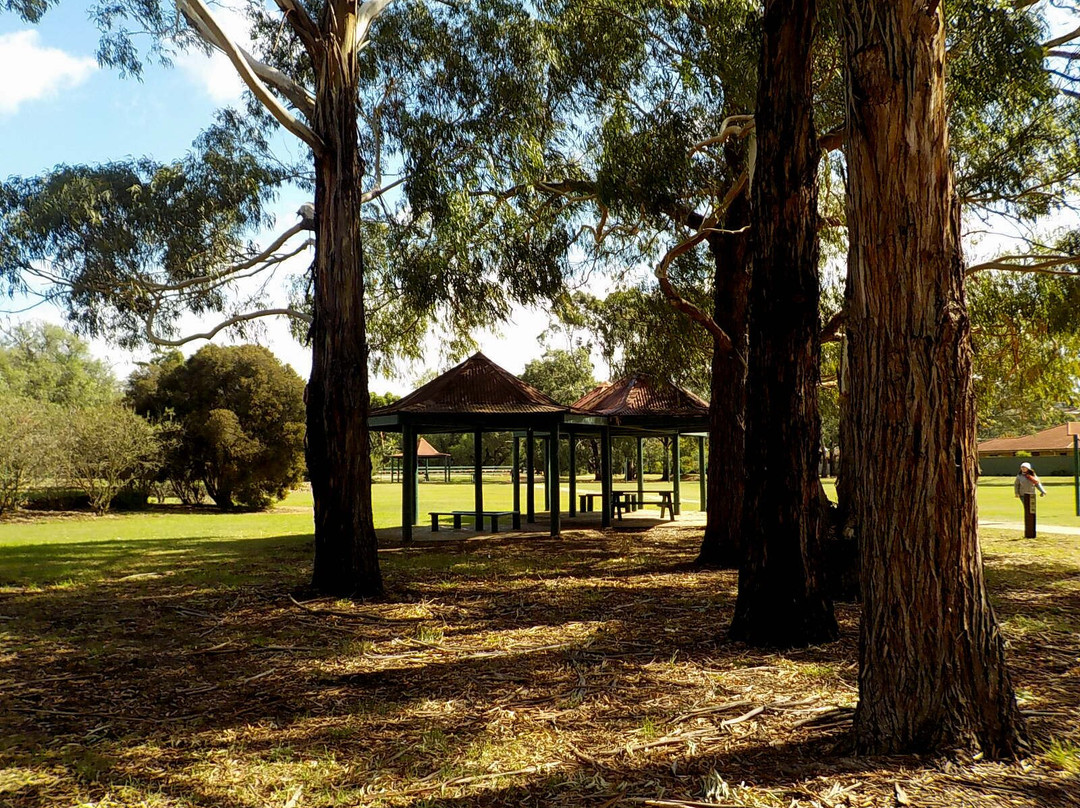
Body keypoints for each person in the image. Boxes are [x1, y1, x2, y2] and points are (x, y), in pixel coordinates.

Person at [1014, 461, 1046, 538]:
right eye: (1022, 467)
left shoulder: (1033, 476)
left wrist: (1042, 491)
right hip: (1023, 495)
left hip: (1031, 495)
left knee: (1031, 510)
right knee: (1026, 508)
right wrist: (1016, 493)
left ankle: (1031, 526)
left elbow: (1037, 484)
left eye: (1024, 467)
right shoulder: (1019, 476)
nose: (1023, 469)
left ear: (1028, 468)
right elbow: (1016, 485)